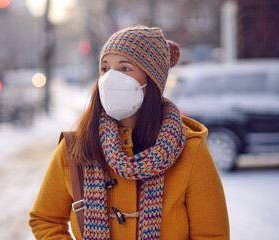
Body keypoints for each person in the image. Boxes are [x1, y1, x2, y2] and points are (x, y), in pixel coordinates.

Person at [29, 26, 230, 240]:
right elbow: (45, 220)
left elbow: (211, 235)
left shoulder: (190, 150)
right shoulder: (77, 147)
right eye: (105, 69)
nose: (110, 79)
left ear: (151, 80)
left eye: (125, 68)